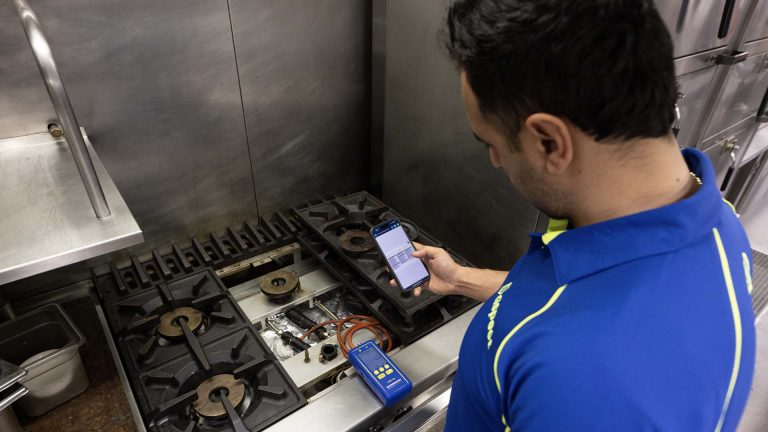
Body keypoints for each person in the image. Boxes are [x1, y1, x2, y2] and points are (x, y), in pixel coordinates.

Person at [395, 0, 756, 430]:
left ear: (549, 142)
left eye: (488, 141)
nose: (494, 160)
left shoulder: (587, 390)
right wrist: (458, 280)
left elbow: (579, 353)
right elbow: (564, 302)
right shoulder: (713, 217)